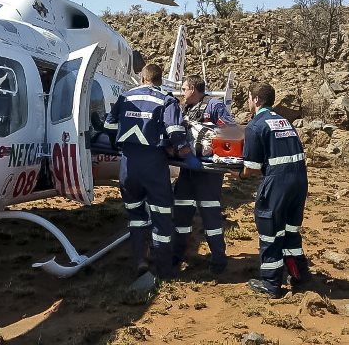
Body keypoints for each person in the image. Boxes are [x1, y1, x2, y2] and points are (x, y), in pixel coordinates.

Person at [104, 64, 189, 278]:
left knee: (135, 215)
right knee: (161, 216)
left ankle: (140, 261)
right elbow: (176, 133)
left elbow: (109, 126)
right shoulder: (167, 100)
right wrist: (183, 150)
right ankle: (164, 270)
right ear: (160, 80)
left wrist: (120, 144)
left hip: (127, 165)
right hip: (154, 165)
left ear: (142, 78)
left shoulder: (125, 97)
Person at [236, 82, 309, 298]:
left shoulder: (256, 125)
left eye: (249, 98)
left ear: (256, 100)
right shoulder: (284, 121)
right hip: (299, 180)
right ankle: (299, 276)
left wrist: (238, 175)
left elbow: (251, 168)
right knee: (290, 231)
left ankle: (270, 284)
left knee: (270, 232)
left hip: (277, 183)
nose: (248, 102)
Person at [173, 75, 235, 275]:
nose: (182, 93)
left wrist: (217, 155)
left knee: (211, 218)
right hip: (187, 171)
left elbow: (232, 132)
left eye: (184, 89)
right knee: (181, 214)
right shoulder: (185, 109)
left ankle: (218, 260)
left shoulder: (214, 106)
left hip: (208, 173)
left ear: (193, 89)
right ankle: (178, 255)